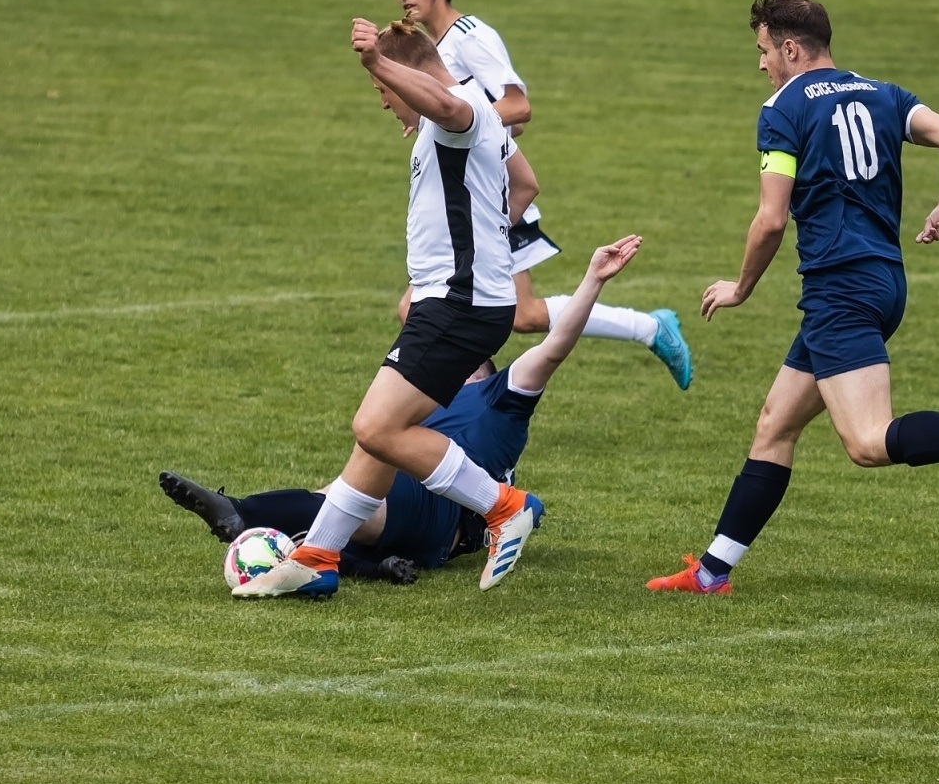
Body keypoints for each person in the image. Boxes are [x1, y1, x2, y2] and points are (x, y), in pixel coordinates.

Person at [649, 0, 939, 596]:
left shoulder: (782, 109)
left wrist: (741, 287)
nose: (760, 65)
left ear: (788, 47)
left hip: (840, 290)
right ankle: (711, 573)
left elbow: (771, 220)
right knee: (775, 425)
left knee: (865, 441)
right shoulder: (884, 94)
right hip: (884, 283)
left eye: (762, 51)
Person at [233, 17, 541, 600]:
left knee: (375, 426)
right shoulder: (469, 114)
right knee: (379, 437)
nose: (384, 105)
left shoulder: (456, 109)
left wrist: (378, 63)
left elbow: (450, 110)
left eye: (383, 94)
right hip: (459, 298)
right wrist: (480, 247)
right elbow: (523, 182)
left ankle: (505, 508)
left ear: (406, 77)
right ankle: (318, 557)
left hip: (457, 302)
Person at [163, 236, 644, 588]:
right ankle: (349, 561)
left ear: (480, 366)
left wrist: (592, 280)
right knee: (349, 478)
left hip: (446, 514)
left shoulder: (502, 397)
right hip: (414, 512)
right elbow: (412, 307)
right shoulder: (424, 396)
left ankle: (243, 514)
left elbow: (554, 348)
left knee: (373, 462)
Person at [385, 0, 692, 391]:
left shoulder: (470, 36)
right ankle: (648, 328)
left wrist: (461, 119)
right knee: (514, 314)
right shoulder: (436, 46)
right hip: (479, 183)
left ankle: (464, 413)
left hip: (491, 190)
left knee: (428, 309)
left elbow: (519, 108)